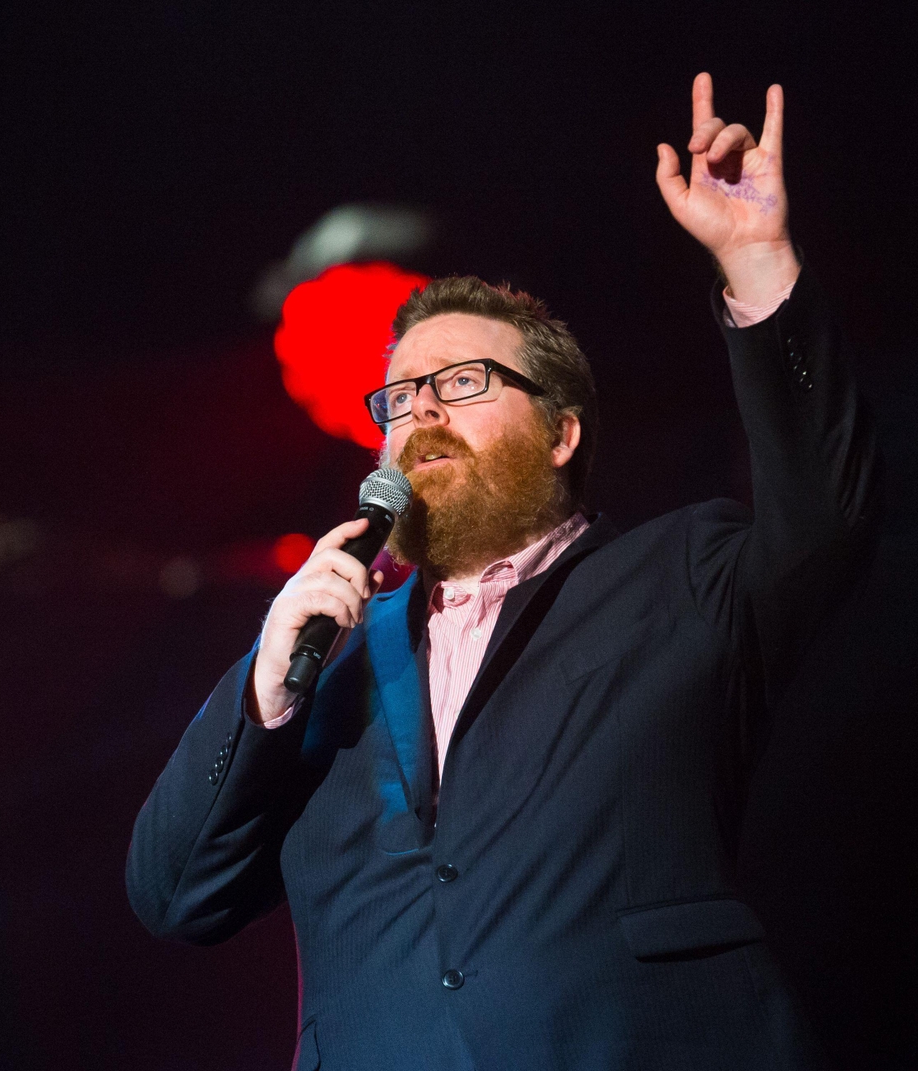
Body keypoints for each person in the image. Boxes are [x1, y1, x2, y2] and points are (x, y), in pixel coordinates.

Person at [127, 73, 879, 1071]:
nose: (423, 412)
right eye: (399, 397)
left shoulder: (679, 576)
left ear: (562, 433)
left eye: (461, 382)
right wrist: (263, 693)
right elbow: (175, 895)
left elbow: (826, 511)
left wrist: (756, 261)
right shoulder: (330, 662)